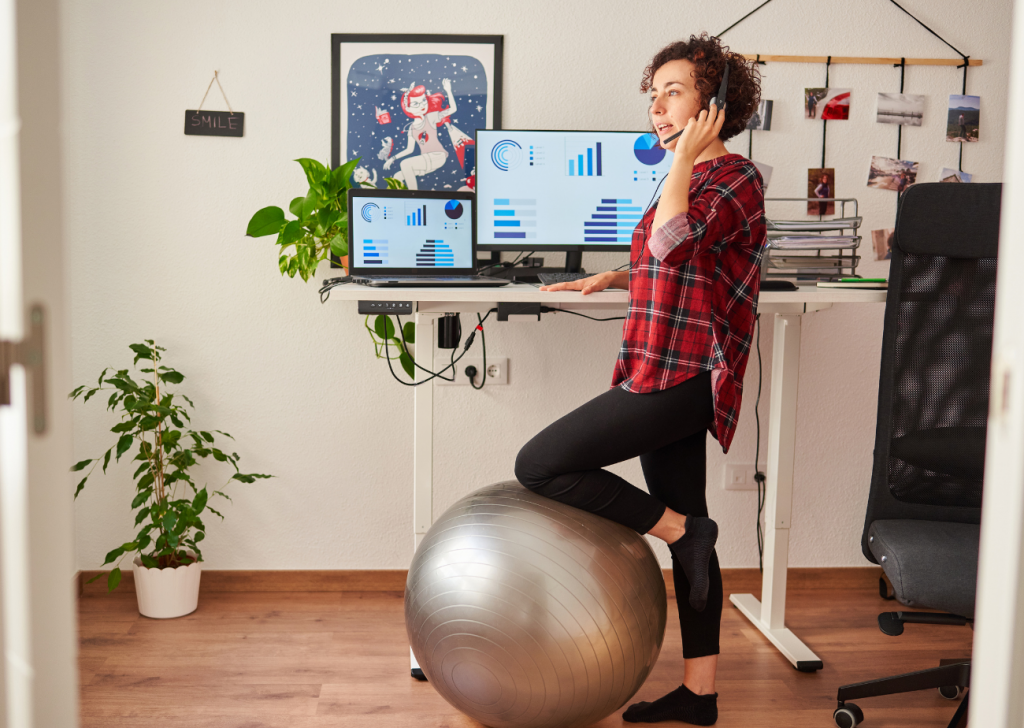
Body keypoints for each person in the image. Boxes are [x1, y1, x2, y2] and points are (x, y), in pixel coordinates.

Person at [514, 34, 766, 727]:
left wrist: (683, 157)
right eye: (652, 95)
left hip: (686, 374)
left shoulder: (734, 177)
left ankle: (681, 531)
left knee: (539, 463)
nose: (656, 108)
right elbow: (671, 261)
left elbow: (672, 239)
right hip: (656, 361)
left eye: (674, 92)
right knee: (695, 528)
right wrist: (613, 275)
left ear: (714, 103)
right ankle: (701, 694)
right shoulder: (687, 177)